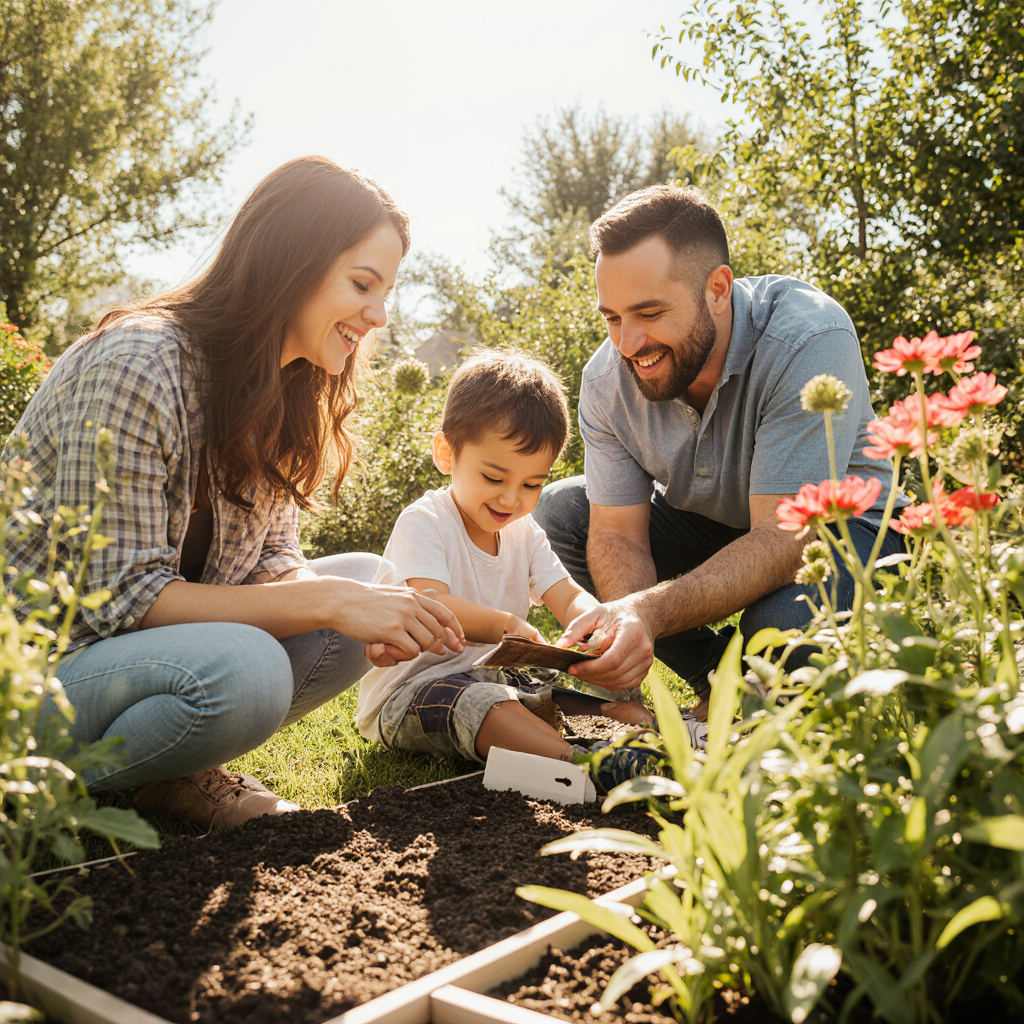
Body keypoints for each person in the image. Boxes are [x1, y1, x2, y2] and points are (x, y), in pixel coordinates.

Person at [3, 156, 465, 829]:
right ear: (292, 264)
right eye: (363, 284)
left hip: (134, 663)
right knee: (250, 666)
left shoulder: (283, 392)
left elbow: (270, 559)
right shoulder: (139, 362)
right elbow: (119, 600)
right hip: (40, 670)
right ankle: (37, 781)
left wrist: (350, 606)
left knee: (371, 580)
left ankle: (166, 776)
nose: (380, 315)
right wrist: (330, 601)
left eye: (386, 291)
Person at [534, 184, 905, 707]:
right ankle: (715, 675)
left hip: (844, 529)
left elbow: (785, 537)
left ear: (718, 288)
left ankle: (766, 672)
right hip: (718, 520)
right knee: (564, 512)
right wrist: (626, 660)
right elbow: (618, 535)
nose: (627, 344)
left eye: (649, 312)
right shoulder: (606, 382)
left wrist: (650, 611)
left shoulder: (807, 337)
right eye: (612, 317)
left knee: (782, 624)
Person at [355, 351, 702, 792]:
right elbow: (431, 604)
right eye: (494, 478)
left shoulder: (523, 532)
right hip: (414, 691)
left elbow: (566, 594)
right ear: (447, 453)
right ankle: (581, 763)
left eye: (532, 484)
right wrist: (504, 626)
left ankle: (637, 725)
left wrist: (601, 624)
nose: (510, 500)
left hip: (494, 675)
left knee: (547, 684)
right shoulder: (425, 521)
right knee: (483, 703)